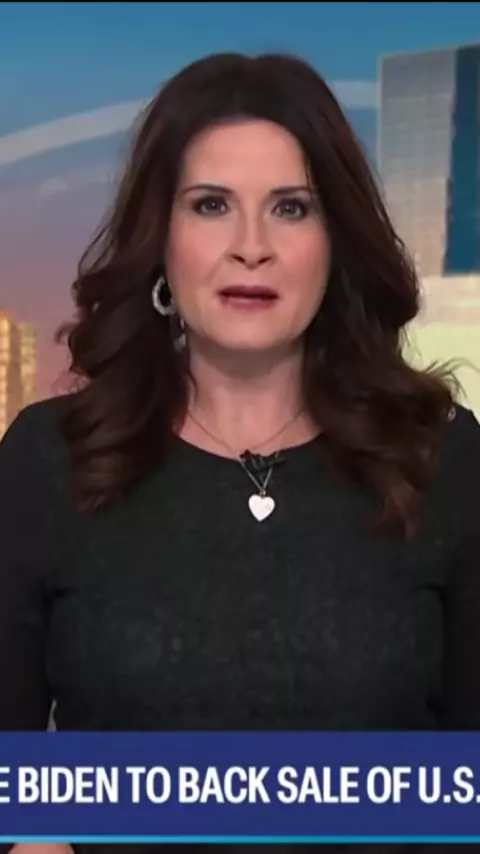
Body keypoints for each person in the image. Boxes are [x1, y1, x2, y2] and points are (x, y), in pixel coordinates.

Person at [0, 51, 479, 854]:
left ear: (335, 240)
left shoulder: (443, 460)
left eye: (291, 208)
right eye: (212, 205)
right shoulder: (48, 460)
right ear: (161, 237)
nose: (251, 246)